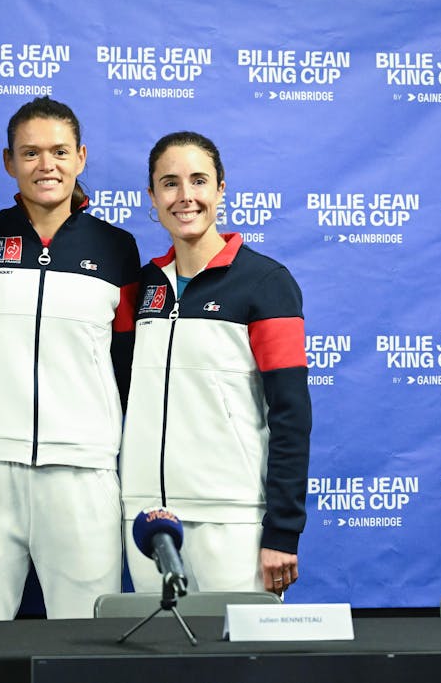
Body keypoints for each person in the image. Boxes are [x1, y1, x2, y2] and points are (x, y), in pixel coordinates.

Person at [0, 97, 140, 620]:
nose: (46, 165)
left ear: (81, 157)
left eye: (59, 151)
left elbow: (127, 363)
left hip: (83, 470)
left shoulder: (117, 248)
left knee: (86, 639)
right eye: (30, 153)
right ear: (8, 162)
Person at [119, 131, 311, 597]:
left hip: (234, 518)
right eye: (169, 183)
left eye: (199, 181)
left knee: (243, 665)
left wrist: (282, 531)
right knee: (158, 661)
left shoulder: (266, 283)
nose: (185, 197)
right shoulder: (138, 287)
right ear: (152, 196)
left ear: (221, 189)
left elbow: (291, 415)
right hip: (148, 518)